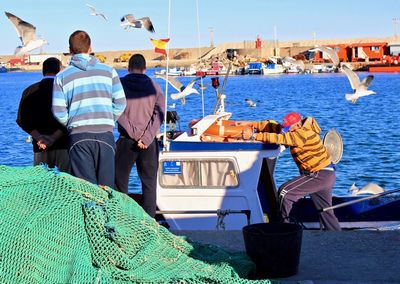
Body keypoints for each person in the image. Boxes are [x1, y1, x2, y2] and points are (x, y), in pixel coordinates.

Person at [241, 112, 341, 231]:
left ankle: (284, 229)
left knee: (285, 192)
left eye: (289, 128)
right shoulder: (296, 130)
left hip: (319, 174)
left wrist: (253, 136)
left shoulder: (303, 134)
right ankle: (338, 237)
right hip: (326, 174)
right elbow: (274, 127)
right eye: (286, 128)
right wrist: (251, 124)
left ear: (298, 125)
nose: (287, 130)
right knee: (325, 211)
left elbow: (280, 138)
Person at [52, 30, 126, 188]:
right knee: (107, 192)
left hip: (78, 137)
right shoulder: (109, 71)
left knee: (86, 191)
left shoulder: (61, 76)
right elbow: (120, 103)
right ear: (90, 47)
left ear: (70, 50)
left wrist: (72, 122)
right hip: (105, 136)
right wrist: (107, 120)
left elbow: (58, 111)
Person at [115, 54, 165, 218]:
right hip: (148, 143)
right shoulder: (155, 87)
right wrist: (146, 137)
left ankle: (121, 219)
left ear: (128, 68)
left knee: (120, 183)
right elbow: (160, 114)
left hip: (125, 141)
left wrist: (134, 134)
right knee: (149, 184)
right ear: (145, 68)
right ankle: (150, 224)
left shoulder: (119, 85)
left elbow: (117, 111)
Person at [16, 57, 69, 172]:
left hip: (40, 147)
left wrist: (40, 138)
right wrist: (53, 138)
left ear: (43, 71)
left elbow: (22, 120)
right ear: (60, 70)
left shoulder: (28, 91)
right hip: (63, 146)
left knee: (42, 185)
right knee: (66, 185)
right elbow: (71, 118)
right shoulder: (65, 90)